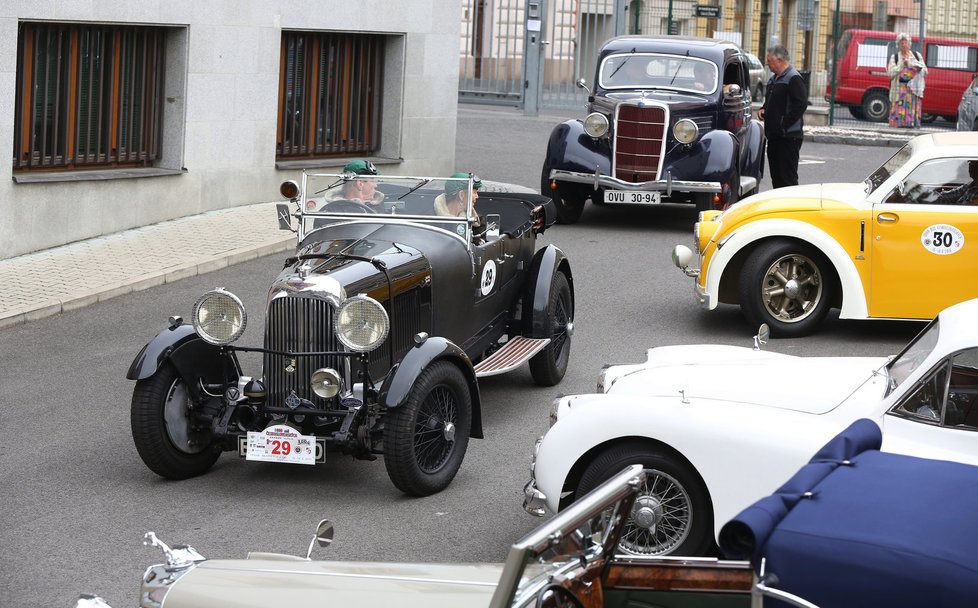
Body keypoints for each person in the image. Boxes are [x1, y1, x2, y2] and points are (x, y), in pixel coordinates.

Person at [758, 45, 808, 188]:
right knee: (777, 178)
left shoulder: (793, 78)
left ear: (780, 60)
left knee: (788, 179)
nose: (767, 64)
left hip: (788, 138)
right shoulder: (774, 79)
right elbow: (772, 101)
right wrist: (764, 109)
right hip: (774, 136)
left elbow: (801, 104)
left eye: (770, 61)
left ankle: (791, 208)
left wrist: (783, 124)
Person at [887, 33, 927, 129]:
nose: (904, 45)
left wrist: (918, 67)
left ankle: (911, 125)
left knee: (911, 108)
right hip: (899, 89)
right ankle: (898, 126)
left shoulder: (917, 55)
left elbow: (925, 71)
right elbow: (890, 74)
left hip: (913, 90)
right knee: (898, 108)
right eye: (901, 43)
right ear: (898, 45)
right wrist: (902, 65)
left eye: (906, 42)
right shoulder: (895, 57)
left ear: (910, 44)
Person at [320, 159, 384, 209]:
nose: (376, 185)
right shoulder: (334, 211)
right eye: (372, 181)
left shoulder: (377, 205)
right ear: (360, 184)